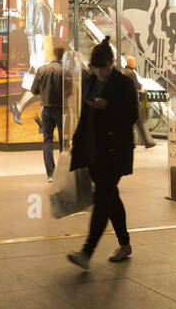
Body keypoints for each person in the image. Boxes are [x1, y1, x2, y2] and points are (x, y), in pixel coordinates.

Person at [67, 37, 137, 268]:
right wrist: (76, 141)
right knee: (111, 197)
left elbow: (132, 116)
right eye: (96, 68)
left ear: (111, 62)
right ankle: (125, 244)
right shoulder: (90, 81)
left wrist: (108, 107)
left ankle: (87, 252)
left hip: (115, 150)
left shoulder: (124, 83)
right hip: (94, 149)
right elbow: (85, 116)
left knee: (103, 199)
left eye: (103, 67)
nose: (100, 72)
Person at [32, 45, 67, 179]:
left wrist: (44, 90)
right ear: (63, 55)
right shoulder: (66, 71)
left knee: (47, 140)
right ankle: (63, 172)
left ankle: (50, 174)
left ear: (53, 53)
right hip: (61, 109)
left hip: (46, 109)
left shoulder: (42, 70)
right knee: (64, 141)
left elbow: (34, 90)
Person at [123, 56, 156, 150]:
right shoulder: (132, 73)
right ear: (130, 63)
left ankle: (133, 142)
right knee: (140, 121)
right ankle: (148, 142)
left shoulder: (122, 71)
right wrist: (141, 88)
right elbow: (137, 85)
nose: (135, 63)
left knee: (130, 123)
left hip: (125, 101)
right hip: (132, 101)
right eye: (134, 61)